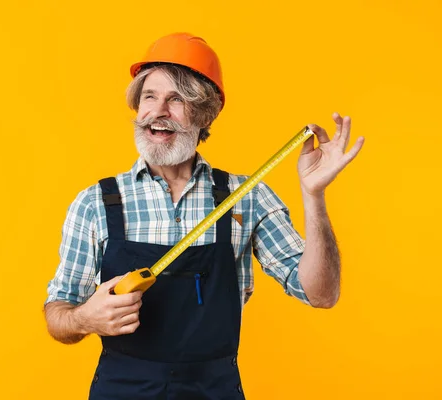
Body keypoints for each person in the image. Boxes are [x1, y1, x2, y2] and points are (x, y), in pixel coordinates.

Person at [43, 32, 364, 400]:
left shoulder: (247, 197)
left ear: (204, 112)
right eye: (149, 96)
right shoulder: (95, 203)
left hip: (214, 390)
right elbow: (59, 313)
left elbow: (320, 294)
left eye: (176, 99)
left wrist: (314, 194)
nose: (158, 111)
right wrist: (85, 318)